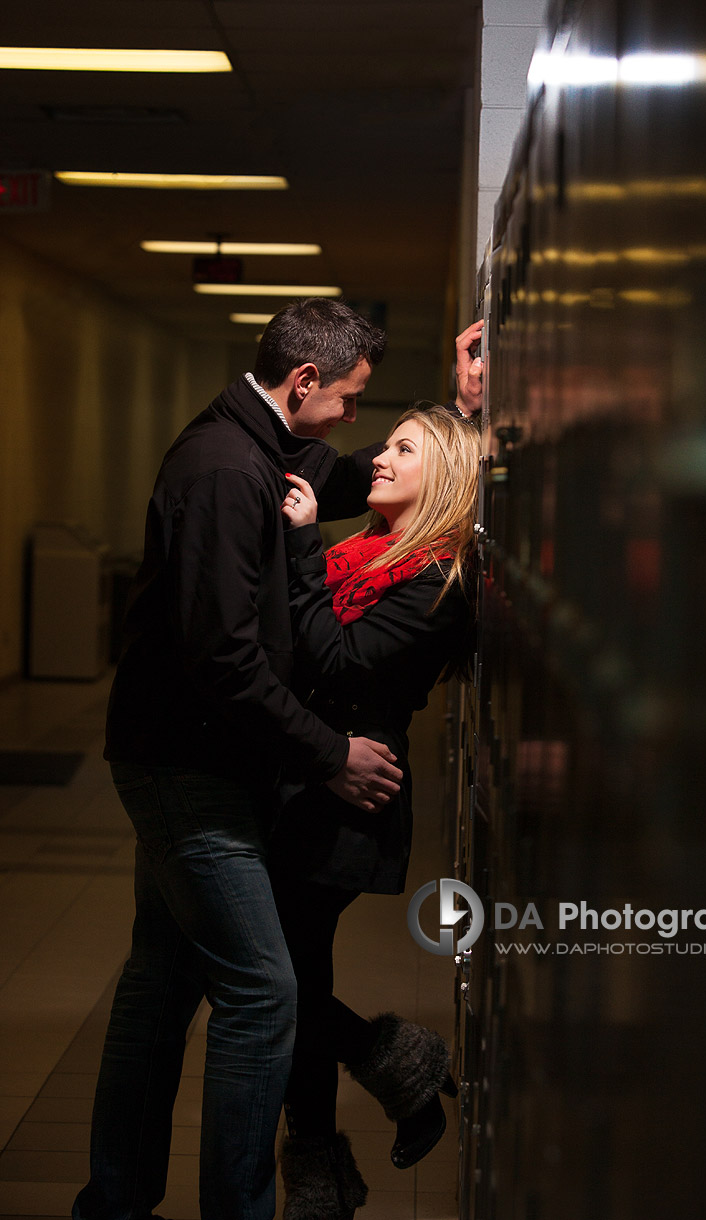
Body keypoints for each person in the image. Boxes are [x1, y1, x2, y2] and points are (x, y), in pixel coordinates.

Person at [73, 301, 484, 1220]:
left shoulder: (263, 451)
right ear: (305, 384)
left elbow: (368, 480)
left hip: (215, 760)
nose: (356, 428)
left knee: (161, 985)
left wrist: (474, 411)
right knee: (264, 992)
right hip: (194, 763)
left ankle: (117, 1201)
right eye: (348, 399)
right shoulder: (229, 471)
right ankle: (243, 1200)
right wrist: (328, 750)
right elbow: (225, 657)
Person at [269, 404, 481, 1220]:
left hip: (354, 790)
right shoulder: (366, 555)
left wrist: (299, 546)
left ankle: (387, 1068)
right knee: (291, 977)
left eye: (402, 449)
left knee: (273, 980)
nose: (379, 460)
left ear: (448, 479)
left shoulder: (436, 580)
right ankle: (326, 1154)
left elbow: (331, 653)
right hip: (310, 776)